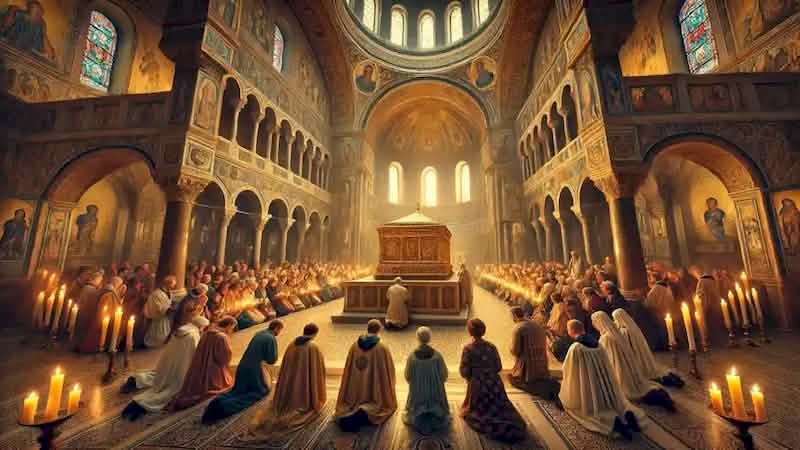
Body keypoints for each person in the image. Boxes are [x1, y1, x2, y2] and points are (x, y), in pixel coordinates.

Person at [559, 319, 645, 439]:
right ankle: (625, 417)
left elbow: (568, 369)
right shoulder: (598, 343)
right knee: (614, 405)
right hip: (604, 382)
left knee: (584, 410)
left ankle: (615, 424)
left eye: (568, 330)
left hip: (589, 383)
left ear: (572, 331)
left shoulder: (576, 347)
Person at [245, 323, 327, 441]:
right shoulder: (313, 347)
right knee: (300, 404)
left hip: (289, 383)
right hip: (304, 384)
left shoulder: (292, 344)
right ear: (315, 333)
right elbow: (318, 370)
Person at [202, 320, 284, 423]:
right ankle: (223, 408)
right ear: (276, 328)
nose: (279, 333)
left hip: (242, 367)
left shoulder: (259, 333)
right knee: (260, 392)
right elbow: (271, 359)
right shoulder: (271, 338)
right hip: (254, 370)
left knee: (237, 391)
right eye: (280, 330)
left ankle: (215, 403)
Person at [591, 312, 675, 411]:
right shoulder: (615, 333)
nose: (593, 324)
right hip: (628, 370)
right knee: (642, 388)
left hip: (620, 372)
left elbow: (606, 359)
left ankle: (659, 398)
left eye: (594, 322)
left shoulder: (606, 339)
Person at [460, 318, 526, 442]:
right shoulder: (492, 347)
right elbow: (498, 367)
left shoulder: (468, 349)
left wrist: (472, 378)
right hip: (494, 384)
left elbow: (464, 370)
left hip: (478, 385)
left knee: (475, 412)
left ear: (470, 332)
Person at [335, 319, 397, 432]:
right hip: (374, 391)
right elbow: (389, 371)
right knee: (375, 407)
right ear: (380, 330)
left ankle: (354, 412)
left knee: (352, 406)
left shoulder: (354, 345)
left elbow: (348, 368)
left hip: (354, 392)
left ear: (367, 329)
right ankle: (363, 413)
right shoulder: (381, 348)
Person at [170, 316, 237, 411]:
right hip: (215, 371)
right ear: (229, 325)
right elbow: (224, 358)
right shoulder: (221, 337)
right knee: (227, 384)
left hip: (202, 367)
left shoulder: (208, 333)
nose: (232, 331)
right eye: (232, 328)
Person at [612, 309, 684, 388]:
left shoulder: (625, 331)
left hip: (635, 356)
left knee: (649, 375)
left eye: (615, 319)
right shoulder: (632, 326)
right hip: (640, 354)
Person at [403, 326, 450, 435]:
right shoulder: (437, 356)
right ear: (429, 338)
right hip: (435, 392)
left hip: (418, 392)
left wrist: (416, 382)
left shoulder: (412, 357)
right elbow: (444, 375)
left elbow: (407, 376)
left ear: (417, 338)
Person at [508, 307, 560, 399]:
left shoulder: (519, 328)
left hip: (527, 370)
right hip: (542, 367)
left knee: (511, 378)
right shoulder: (537, 325)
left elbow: (515, 351)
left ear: (514, 316)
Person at [76, 276, 126, 353]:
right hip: (101, 322)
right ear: (117, 285)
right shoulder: (109, 294)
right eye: (120, 286)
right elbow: (109, 310)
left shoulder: (102, 290)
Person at [143, 276, 176, 348]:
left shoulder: (169, 292)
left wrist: (172, 307)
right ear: (167, 284)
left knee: (166, 332)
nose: (173, 286)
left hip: (166, 318)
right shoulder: (156, 294)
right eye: (173, 284)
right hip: (159, 317)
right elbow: (157, 306)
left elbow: (169, 302)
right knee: (158, 334)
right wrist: (168, 309)